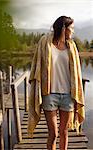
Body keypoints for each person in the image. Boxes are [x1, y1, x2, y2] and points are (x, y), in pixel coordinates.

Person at [28, 16, 85, 150]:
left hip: (68, 95)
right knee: (53, 133)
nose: (73, 31)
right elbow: (37, 64)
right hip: (49, 94)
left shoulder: (71, 46)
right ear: (64, 28)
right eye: (71, 28)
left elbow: (76, 72)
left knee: (64, 132)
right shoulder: (44, 42)